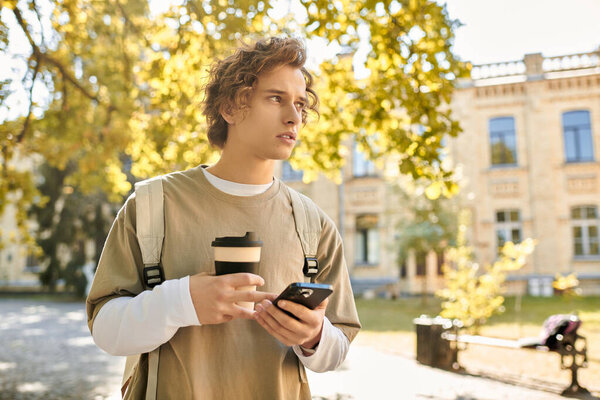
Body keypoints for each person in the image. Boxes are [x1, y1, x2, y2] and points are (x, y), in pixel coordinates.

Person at [86, 36, 361, 399]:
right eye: (275, 98)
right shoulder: (152, 204)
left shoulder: (314, 224)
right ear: (230, 108)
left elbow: (337, 348)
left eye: (298, 104)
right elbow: (104, 329)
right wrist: (180, 302)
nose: (293, 116)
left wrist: (313, 337)